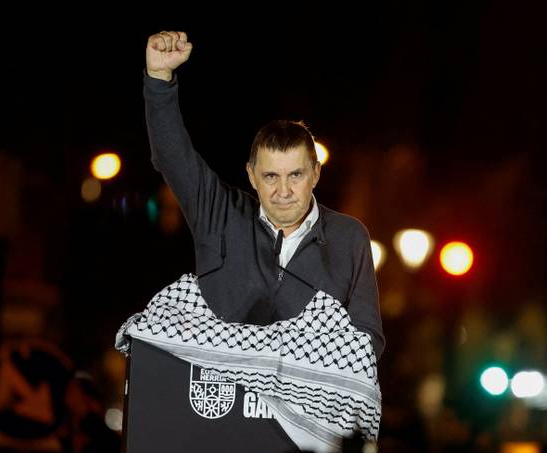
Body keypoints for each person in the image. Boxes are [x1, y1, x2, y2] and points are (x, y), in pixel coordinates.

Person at [143, 31, 384, 357]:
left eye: (295, 175)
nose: (283, 191)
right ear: (251, 176)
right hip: (223, 383)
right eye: (271, 176)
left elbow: (367, 340)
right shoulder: (220, 215)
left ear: (315, 173)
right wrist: (159, 79)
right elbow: (173, 157)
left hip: (306, 388)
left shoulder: (349, 236)